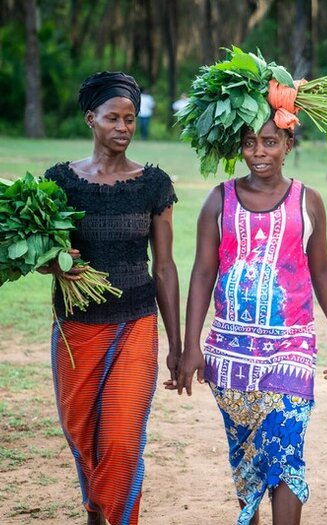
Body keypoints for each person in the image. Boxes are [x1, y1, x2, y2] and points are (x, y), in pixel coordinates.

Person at [177, 80, 327, 524]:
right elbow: (201, 273)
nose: (259, 152)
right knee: (248, 463)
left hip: (289, 349)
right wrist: (191, 344)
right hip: (228, 353)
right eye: (250, 142)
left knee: (287, 456)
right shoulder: (219, 200)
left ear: (288, 143)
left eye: (270, 142)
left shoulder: (308, 201)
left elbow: (324, 269)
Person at [40, 71, 181, 525]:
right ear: (91, 119)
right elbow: (44, 259)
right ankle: (96, 513)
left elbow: (164, 266)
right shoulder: (59, 182)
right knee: (82, 434)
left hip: (135, 324)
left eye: (130, 119)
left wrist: (177, 344)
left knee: (120, 441)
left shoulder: (153, 184)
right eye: (113, 118)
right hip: (76, 327)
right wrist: (56, 264)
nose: (122, 127)